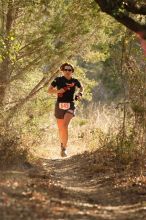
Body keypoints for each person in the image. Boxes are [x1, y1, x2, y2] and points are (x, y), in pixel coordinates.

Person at [48, 63, 83, 157]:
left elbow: (81, 88)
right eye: (66, 70)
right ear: (62, 71)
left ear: (72, 71)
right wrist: (58, 91)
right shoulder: (58, 80)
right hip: (59, 105)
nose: (67, 71)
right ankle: (62, 145)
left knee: (65, 125)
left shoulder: (75, 81)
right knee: (60, 129)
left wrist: (79, 94)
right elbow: (49, 90)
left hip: (70, 105)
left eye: (69, 70)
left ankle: (64, 148)